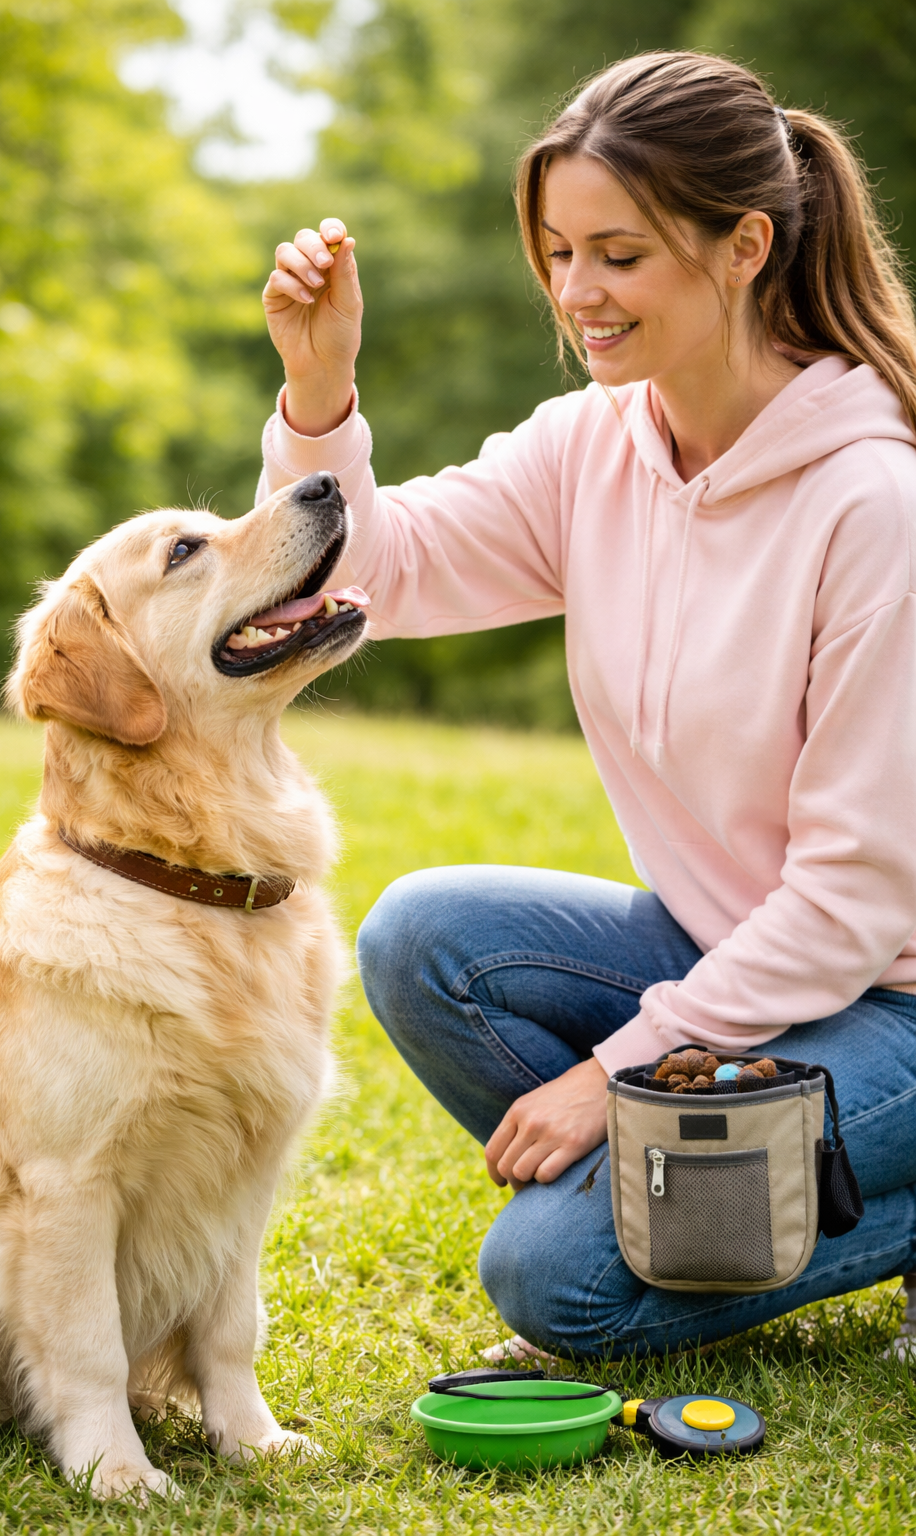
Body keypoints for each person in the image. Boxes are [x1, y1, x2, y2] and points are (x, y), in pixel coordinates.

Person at [258, 50, 916, 1357]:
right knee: (420, 936)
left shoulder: (874, 506)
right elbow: (380, 570)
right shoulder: (596, 444)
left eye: (618, 254)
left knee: (554, 1281)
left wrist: (614, 1080)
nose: (576, 294)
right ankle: (698, 1205)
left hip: (884, 998)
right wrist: (321, 394)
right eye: (558, 252)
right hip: (724, 959)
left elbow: (851, 907)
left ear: (743, 245)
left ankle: (755, 1212)